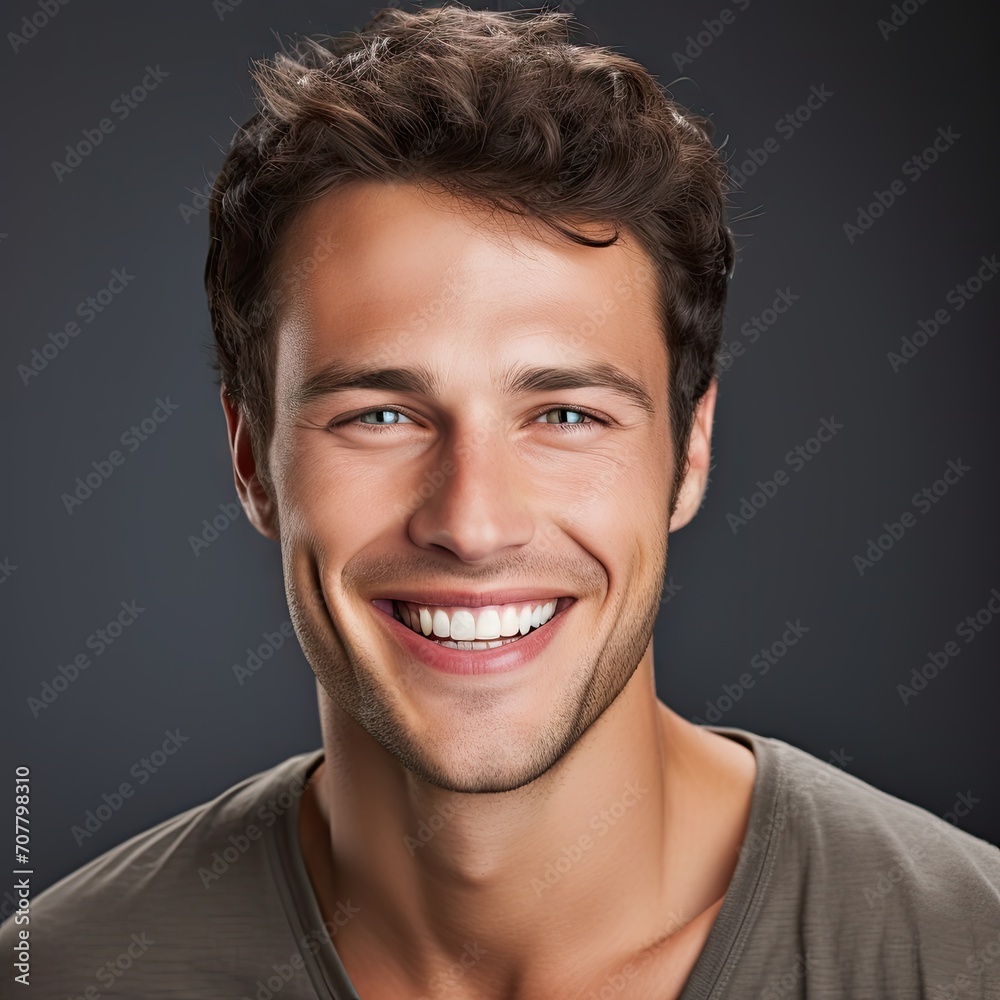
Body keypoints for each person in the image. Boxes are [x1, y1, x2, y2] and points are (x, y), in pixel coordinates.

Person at [4, 7, 998, 998]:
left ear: (690, 449)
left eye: (564, 414)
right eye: (381, 416)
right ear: (251, 460)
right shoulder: (61, 975)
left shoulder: (965, 955)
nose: (472, 524)